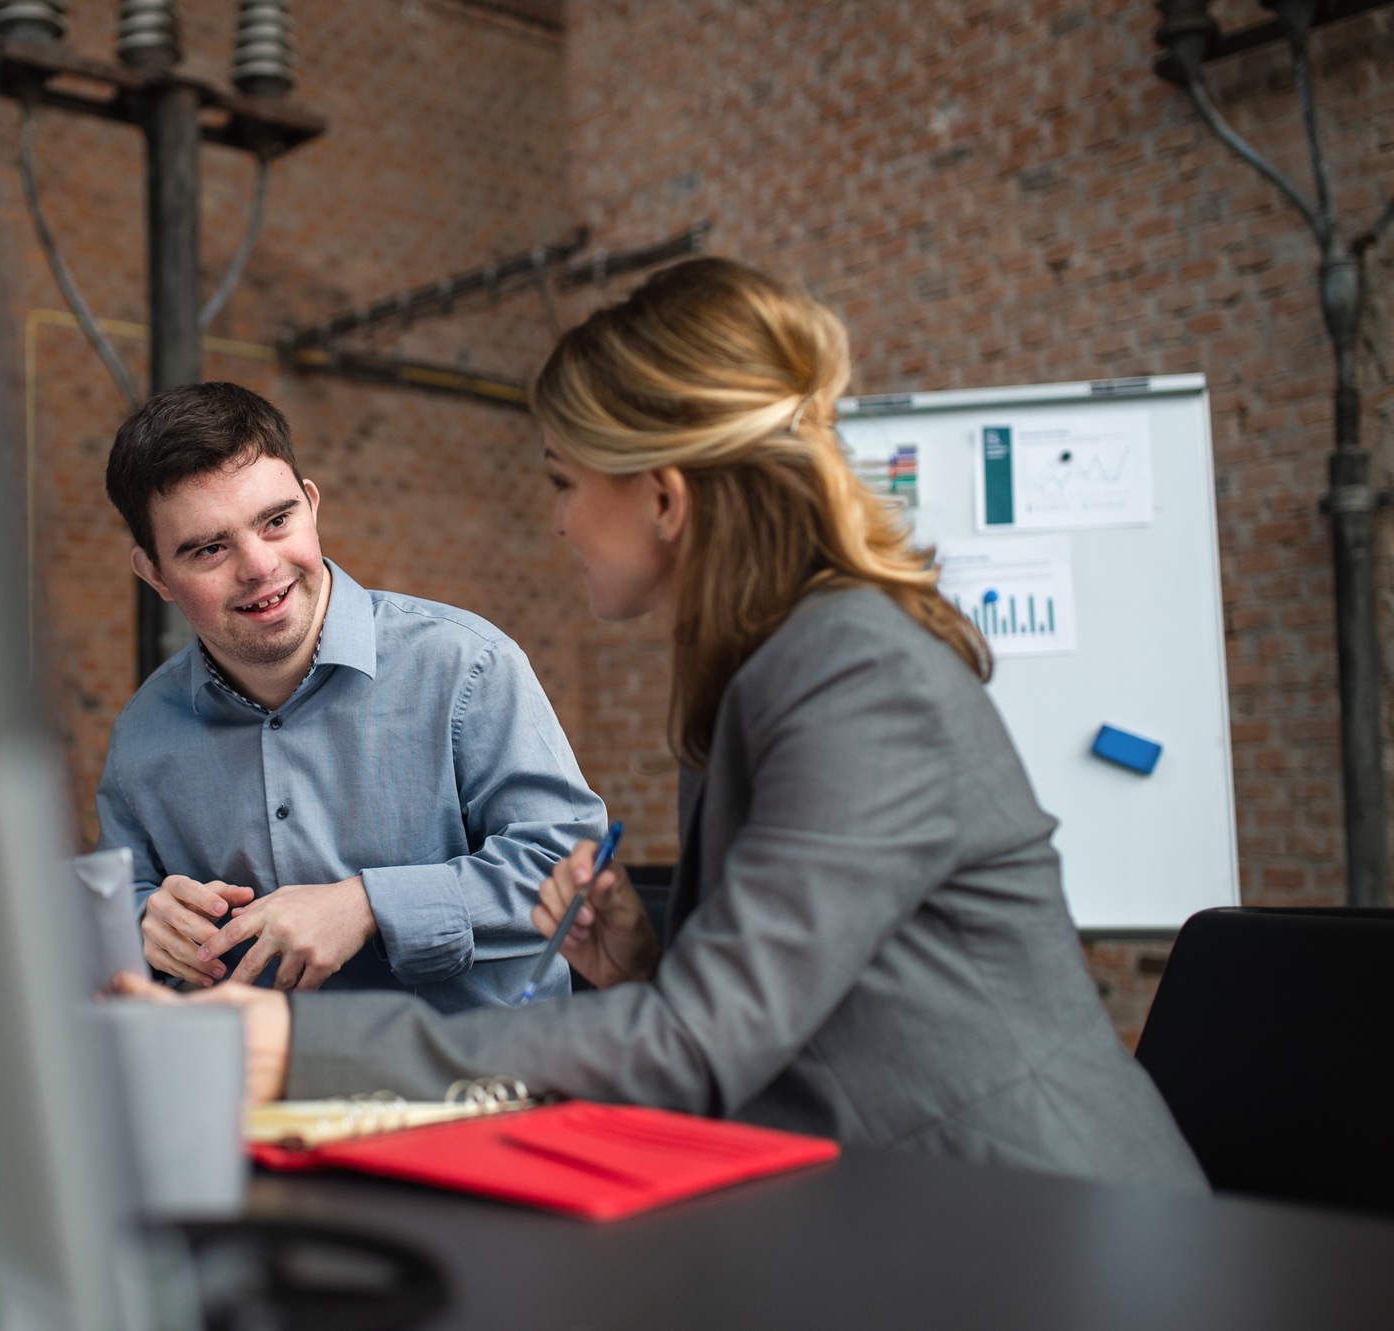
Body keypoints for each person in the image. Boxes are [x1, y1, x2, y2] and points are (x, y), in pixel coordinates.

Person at [116, 260, 1208, 1189]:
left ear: (664, 500)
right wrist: (642, 960)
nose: (556, 521)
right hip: (888, 1201)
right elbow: (778, 1006)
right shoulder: (764, 667)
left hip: (1039, 1216)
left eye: (564, 480)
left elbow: (699, 1042)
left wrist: (288, 1042)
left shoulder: (854, 675)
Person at [96, 382, 605, 1012]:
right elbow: (118, 905)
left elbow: (570, 872)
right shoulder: (142, 735)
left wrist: (368, 905)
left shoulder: (465, 665)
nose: (259, 567)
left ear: (311, 506)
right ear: (154, 574)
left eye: (276, 521)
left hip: (475, 1086)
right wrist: (143, 921)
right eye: (209, 549)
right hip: (261, 1100)